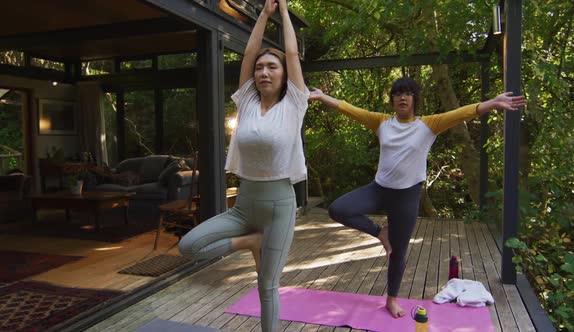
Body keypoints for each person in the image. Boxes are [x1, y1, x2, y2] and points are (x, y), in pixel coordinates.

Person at [309, 77, 525, 318]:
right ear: (392, 100)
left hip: (407, 197)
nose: (403, 97)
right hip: (379, 190)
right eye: (398, 93)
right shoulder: (381, 123)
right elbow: (348, 108)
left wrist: (493, 103)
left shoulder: (428, 125)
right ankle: (381, 232)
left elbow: (461, 113)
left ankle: (392, 299)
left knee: (398, 252)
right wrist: (322, 96)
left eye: (408, 93)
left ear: (414, 99)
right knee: (338, 209)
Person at [178, 0, 309, 331]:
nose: (264, 72)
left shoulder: (294, 103)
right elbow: (247, 55)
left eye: (272, 67)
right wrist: (262, 15)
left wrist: (282, 14)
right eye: (260, 68)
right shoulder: (248, 100)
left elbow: (292, 54)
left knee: (267, 286)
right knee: (188, 246)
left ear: (284, 76)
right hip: (244, 206)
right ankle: (250, 242)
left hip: (279, 206)